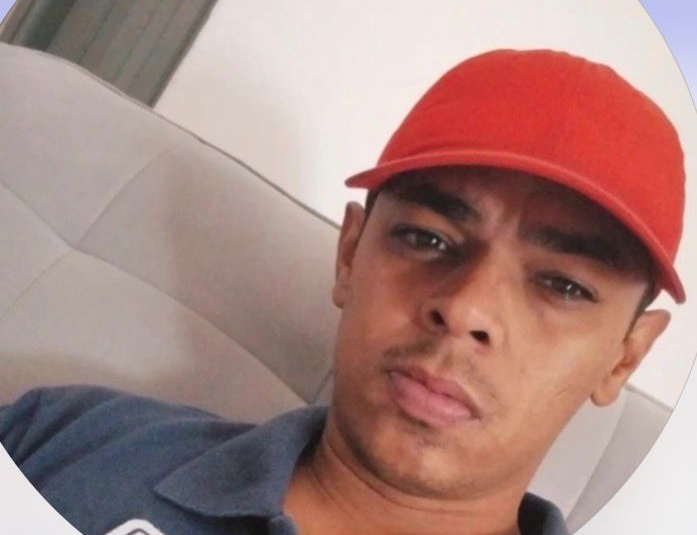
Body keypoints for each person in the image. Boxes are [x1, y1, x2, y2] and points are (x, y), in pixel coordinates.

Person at [0, 49, 685, 535]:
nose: (465, 308)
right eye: (428, 238)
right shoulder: (72, 436)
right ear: (351, 254)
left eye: (562, 285)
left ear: (623, 358)